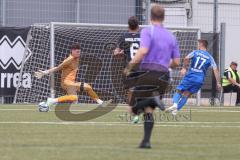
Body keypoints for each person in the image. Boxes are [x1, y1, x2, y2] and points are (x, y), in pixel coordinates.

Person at [124, 4, 180, 148]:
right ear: (163, 18)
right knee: (148, 111)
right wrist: (166, 65)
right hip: (164, 76)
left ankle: (153, 100)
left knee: (132, 109)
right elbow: (176, 62)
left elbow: (143, 51)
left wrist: (130, 66)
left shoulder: (148, 32)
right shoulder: (171, 36)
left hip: (148, 73)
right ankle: (146, 141)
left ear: (150, 17)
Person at [34, 43, 112, 108]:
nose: (79, 53)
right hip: (66, 83)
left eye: (79, 52)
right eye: (77, 52)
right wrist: (45, 72)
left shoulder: (77, 58)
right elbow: (58, 68)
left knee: (88, 87)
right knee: (74, 97)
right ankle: (52, 100)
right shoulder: (69, 60)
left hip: (72, 82)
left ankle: (101, 103)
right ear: (72, 51)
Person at [166, 39, 221, 115]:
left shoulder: (195, 52)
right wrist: (218, 83)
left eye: (198, 44)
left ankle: (175, 105)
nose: (197, 45)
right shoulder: (210, 57)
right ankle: (175, 111)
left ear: (201, 44)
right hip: (200, 80)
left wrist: (184, 68)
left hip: (191, 76)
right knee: (186, 94)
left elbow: (186, 58)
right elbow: (215, 69)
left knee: (179, 90)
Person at [113, 16, 141, 123]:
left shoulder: (124, 36)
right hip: (142, 67)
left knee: (131, 91)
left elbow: (115, 53)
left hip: (129, 68)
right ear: (138, 26)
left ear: (128, 26)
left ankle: (134, 115)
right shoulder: (143, 36)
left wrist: (120, 53)